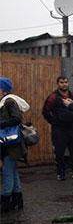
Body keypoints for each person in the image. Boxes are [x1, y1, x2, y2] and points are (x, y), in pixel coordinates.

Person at [42, 75, 73, 180]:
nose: (64, 84)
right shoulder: (53, 97)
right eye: (61, 82)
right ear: (58, 84)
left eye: (66, 82)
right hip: (59, 130)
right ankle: (61, 173)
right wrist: (54, 122)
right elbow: (45, 111)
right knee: (59, 152)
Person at [0, 77, 28, 212]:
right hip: (9, 143)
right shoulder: (5, 102)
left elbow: (17, 118)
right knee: (12, 170)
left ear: (3, 90)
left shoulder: (9, 102)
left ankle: (6, 200)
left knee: (7, 172)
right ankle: (17, 198)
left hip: (11, 143)